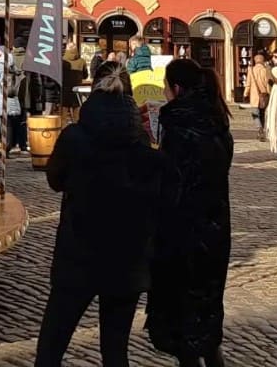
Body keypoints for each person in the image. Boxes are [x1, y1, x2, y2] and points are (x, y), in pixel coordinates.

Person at [34, 62, 161, 367]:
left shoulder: (75, 136)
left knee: (53, 343)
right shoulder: (142, 143)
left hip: (79, 251)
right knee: (116, 350)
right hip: (127, 257)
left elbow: (55, 180)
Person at [146, 59, 233, 367]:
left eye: (166, 87)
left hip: (183, 237)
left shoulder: (180, 127)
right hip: (215, 232)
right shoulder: (217, 120)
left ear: (177, 89)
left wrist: (152, 153)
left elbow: (171, 186)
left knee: (183, 327)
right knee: (206, 325)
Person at [243, 52, 271, 141]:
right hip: (264, 95)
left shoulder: (251, 70)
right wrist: (269, 93)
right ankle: (262, 130)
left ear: (255, 61)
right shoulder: (265, 70)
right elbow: (268, 84)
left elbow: (248, 84)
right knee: (262, 114)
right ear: (262, 61)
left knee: (255, 114)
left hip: (255, 97)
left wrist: (245, 94)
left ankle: (259, 129)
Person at [61, 40, 86, 119]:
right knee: (77, 115)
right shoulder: (82, 61)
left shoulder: (62, 61)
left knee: (63, 115)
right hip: (77, 90)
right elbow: (85, 75)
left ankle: (63, 130)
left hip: (65, 90)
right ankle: (76, 129)